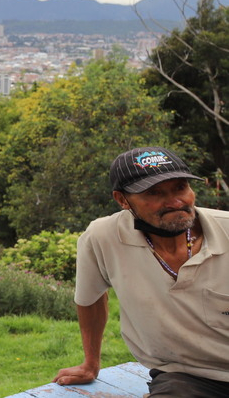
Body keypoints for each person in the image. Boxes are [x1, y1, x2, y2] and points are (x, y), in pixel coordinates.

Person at [55, 146, 229, 397]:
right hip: (187, 376)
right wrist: (90, 363)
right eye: (154, 193)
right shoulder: (103, 237)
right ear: (122, 200)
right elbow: (90, 300)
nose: (175, 202)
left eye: (180, 187)